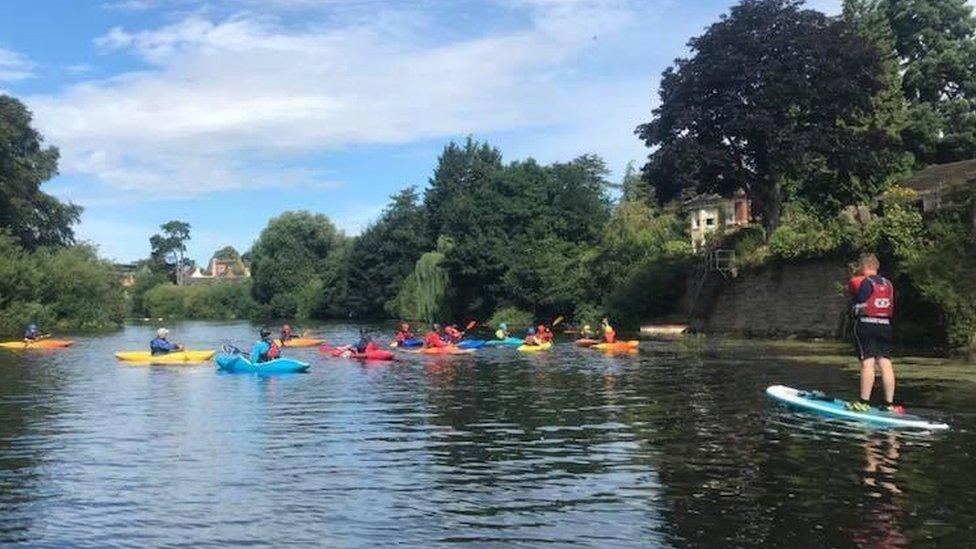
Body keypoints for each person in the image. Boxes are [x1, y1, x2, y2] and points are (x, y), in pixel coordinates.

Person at [847, 254, 900, 413]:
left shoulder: (864, 282)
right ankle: (889, 404)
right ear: (876, 267)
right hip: (885, 325)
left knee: (867, 362)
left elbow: (858, 300)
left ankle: (863, 402)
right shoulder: (888, 284)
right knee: (885, 363)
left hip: (866, 325)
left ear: (863, 267)